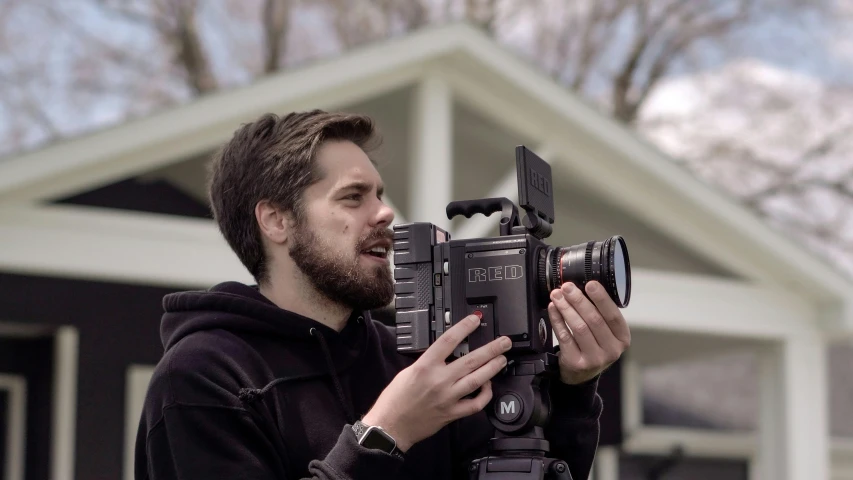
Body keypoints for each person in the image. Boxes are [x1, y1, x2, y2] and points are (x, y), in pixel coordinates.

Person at [134, 110, 631, 480]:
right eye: (354, 197)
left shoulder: (415, 362)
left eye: (380, 194)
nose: (385, 213)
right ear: (276, 221)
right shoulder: (201, 380)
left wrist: (571, 392)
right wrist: (385, 433)